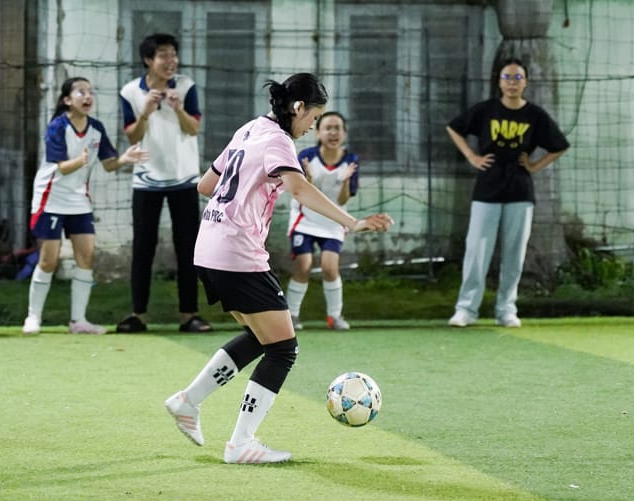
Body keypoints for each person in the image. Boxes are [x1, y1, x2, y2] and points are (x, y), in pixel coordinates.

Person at [164, 73, 393, 464]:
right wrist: (351, 222)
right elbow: (299, 188)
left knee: (261, 337)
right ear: (298, 107)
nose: (312, 128)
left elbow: (205, 185)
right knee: (284, 349)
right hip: (237, 253)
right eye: (313, 118)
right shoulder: (278, 140)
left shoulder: (249, 129)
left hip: (209, 246)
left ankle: (188, 401)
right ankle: (240, 443)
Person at [446, 58, 569, 328]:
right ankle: (466, 309)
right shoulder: (485, 110)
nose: (512, 83)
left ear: (526, 82)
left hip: (520, 192)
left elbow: (559, 145)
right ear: (499, 82)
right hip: (487, 189)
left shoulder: (535, 115)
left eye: (517, 77)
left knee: (514, 254)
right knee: (477, 251)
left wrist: (535, 166)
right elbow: (454, 128)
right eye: (507, 77)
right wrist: (472, 156)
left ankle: (506, 310)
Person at [23, 77, 149, 335]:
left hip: (78, 199)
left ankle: (78, 321)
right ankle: (33, 317)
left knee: (86, 256)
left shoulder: (96, 128)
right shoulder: (57, 126)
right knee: (48, 261)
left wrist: (124, 158)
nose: (87, 96)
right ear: (67, 100)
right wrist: (79, 161)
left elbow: (109, 164)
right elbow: (61, 167)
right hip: (51, 198)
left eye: (90, 92)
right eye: (81, 92)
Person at [116, 33, 211, 334]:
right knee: (143, 247)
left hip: (185, 178)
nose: (171, 61)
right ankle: (138, 315)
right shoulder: (130, 91)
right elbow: (132, 135)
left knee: (188, 248)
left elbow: (194, 128)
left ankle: (189, 315)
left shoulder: (186, 86)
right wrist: (144, 113)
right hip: (146, 179)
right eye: (163, 56)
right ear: (148, 60)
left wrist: (179, 109)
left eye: (173, 55)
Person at [285, 111, 359, 331]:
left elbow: (343, 200)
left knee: (329, 267)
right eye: (328, 128)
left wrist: (345, 181)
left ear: (344, 133)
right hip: (305, 219)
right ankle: (291, 316)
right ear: (318, 133)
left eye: (337, 128)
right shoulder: (306, 157)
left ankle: (334, 316)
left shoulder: (351, 161)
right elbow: (300, 191)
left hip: (333, 222)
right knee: (303, 264)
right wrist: (308, 177)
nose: (333, 133)